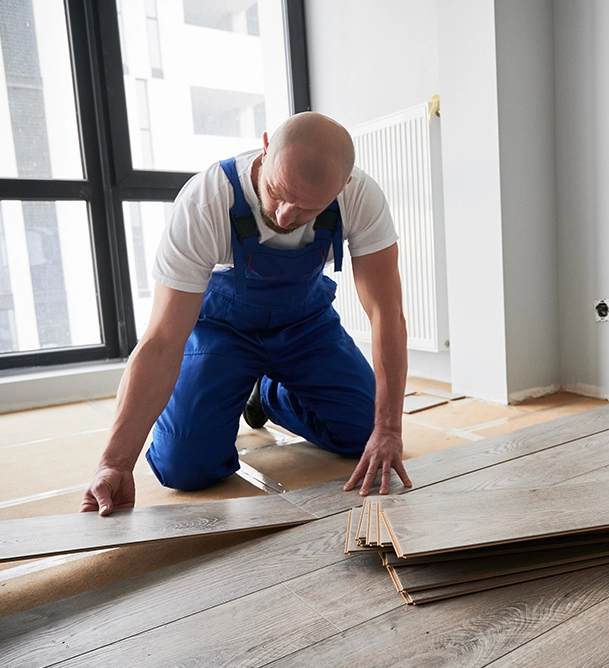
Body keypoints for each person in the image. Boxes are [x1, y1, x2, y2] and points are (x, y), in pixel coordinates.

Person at [80, 112, 411, 517]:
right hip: (224, 331)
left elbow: (386, 315)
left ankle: (269, 394)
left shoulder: (362, 198)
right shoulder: (206, 202)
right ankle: (234, 383)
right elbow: (162, 340)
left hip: (306, 326)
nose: (286, 215)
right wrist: (114, 462)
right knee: (186, 466)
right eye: (277, 193)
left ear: (344, 186)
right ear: (266, 145)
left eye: (308, 208)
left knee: (366, 434)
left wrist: (389, 430)